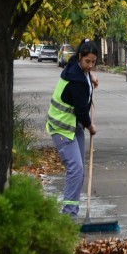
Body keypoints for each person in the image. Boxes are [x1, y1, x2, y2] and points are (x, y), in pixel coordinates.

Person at [46, 39, 99, 218]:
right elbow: (82, 111)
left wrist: (91, 76)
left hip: (74, 126)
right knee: (75, 168)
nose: (90, 65)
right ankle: (68, 215)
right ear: (80, 57)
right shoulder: (77, 79)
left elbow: (83, 72)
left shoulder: (78, 68)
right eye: (87, 61)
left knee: (79, 171)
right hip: (61, 127)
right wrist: (91, 126)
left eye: (93, 62)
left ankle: (72, 211)